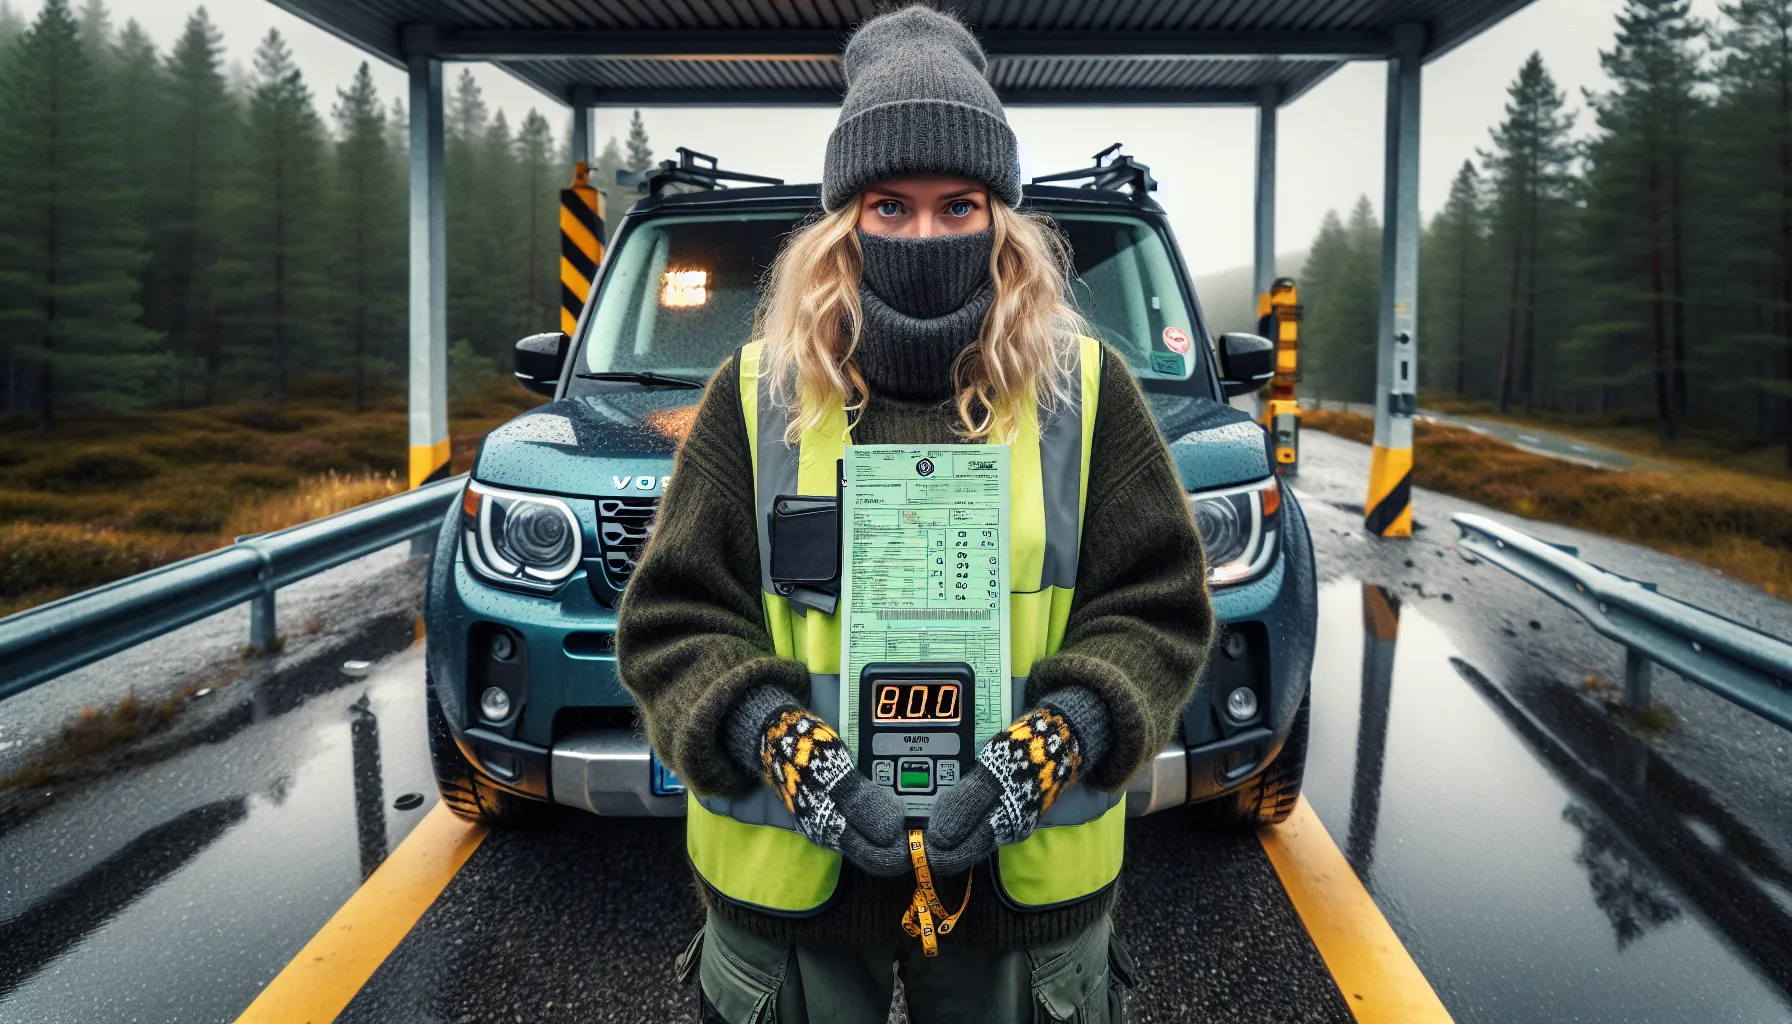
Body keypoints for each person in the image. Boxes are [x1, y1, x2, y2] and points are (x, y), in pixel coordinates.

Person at [616, 7, 1214, 1022]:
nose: (924, 235)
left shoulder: (1085, 393)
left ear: (1001, 218)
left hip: (1021, 902)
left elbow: (1156, 608)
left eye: (957, 205)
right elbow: (674, 622)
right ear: (842, 220)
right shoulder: (755, 394)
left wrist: (1054, 743)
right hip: (790, 902)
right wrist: (783, 747)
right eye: (889, 205)